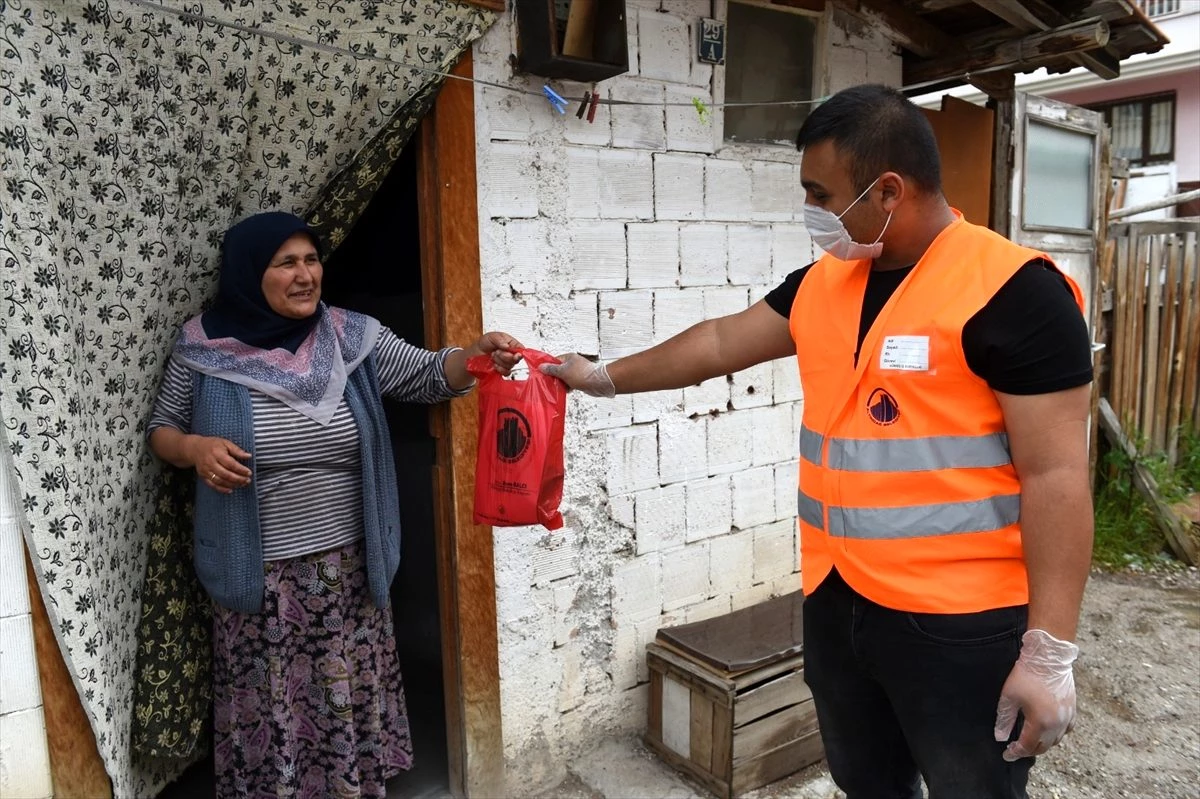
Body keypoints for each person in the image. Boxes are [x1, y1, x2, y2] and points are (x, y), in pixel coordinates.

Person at [543, 84, 1093, 798]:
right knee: (866, 782)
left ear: (887, 190)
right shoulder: (825, 284)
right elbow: (717, 341)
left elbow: (1057, 476)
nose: (812, 211)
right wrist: (602, 376)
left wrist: (1048, 651)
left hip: (961, 625)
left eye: (820, 192)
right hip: (839, 602)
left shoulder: (1016, 293)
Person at [147, 211, 522, 799]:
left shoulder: (350, 337)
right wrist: (194, 448)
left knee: (344, 701)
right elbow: (162, 430)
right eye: (286, 263)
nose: (305, 276)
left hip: (347, 572)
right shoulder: (203, 350)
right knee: (273, 705)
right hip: (259, 577)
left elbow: (427, 376)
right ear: (250, 274)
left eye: (312, 260)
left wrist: (473, 356)